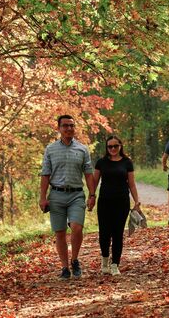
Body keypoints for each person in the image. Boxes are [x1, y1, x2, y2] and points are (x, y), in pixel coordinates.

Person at [39, 115, 96, 279]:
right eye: (65, 126)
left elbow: (88, 173)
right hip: (56, 194)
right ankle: (65, 267)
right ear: (59, 128)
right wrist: (43, 197)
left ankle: (75, 259)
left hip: (76, 194)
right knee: (60, 232)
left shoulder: (82, 149)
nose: (69, 129)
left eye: (71, 126)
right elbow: (45, 174)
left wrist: (92, 195)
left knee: (77, 227)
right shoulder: (50, 149)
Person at [92, 136, 140, 276]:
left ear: (120, 146)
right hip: (105, 201)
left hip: (122, 201)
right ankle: (105, 260)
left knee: (118, 233)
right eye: (110, 147)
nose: (113, 149)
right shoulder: (101, 162)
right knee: (104, 233)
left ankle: (115, 264)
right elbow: (95, 182)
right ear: (106, 148)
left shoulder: (127, 162)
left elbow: (131, 184)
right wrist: (91, 196)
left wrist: (136, 201)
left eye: (115, 146)